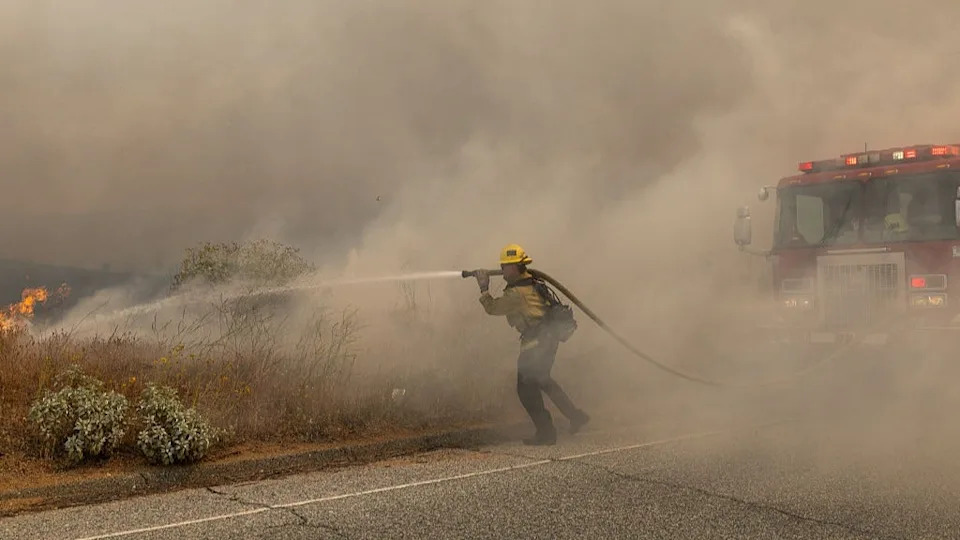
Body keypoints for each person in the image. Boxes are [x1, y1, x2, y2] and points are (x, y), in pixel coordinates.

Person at [473, 244, 590, 446]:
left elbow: (492, 308)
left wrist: (484, 287)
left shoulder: (517, 293)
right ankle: (576, 416)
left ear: (514, 267)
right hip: (547, 338)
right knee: (543, 380)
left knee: (525, 388)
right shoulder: (530, 281)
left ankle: (546, 433)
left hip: (537, 341)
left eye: (505, 266)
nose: (501, 269)